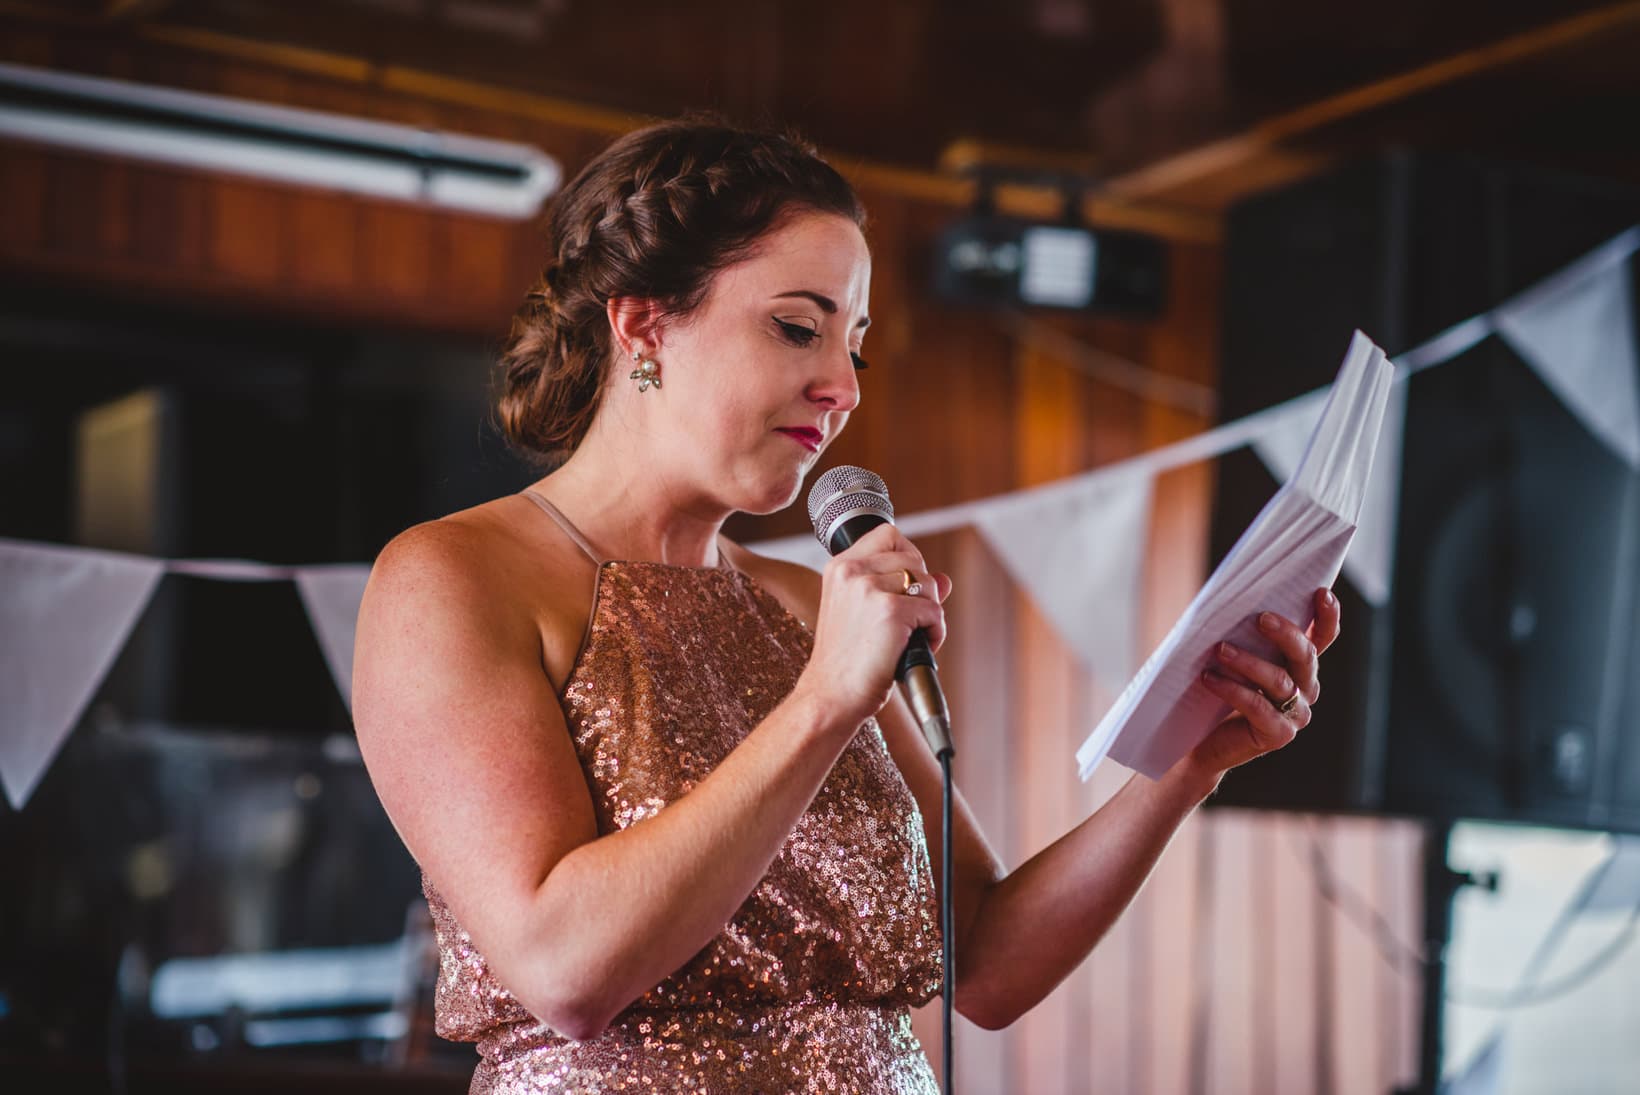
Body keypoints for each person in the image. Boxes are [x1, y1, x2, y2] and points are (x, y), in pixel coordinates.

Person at [351, 118, 1340, 1094]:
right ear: (642, 322)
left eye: (854, 344)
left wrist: (1189, 763)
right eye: (796, 326)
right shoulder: (454, 578)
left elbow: (985, 961)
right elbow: (567, 973)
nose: (840, 387)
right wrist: (825, 698)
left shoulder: (796, 601)